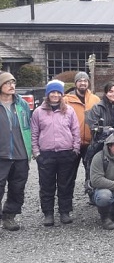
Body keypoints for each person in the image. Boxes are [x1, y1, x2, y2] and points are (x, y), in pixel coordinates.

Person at [31, 80, 81, 226]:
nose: (55, 95)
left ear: (62, 94)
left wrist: (75, 149)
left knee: (65, 185)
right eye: (52, 92)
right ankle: (48, 213)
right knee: (46, 185)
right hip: (46, 154)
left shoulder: (69, 111)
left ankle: (65, 212)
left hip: (66, 153)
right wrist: (36, 153)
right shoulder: (38, 112)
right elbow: (34, 133)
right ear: (47, 94)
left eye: (58, 92)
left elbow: (75, 131)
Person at [84, 82, 114, 203]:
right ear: (106, 93)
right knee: (93, 169)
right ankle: (93, 193)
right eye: (111, 91)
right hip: (99, 144)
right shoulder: (97, 107)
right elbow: (94, 126)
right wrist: (112, 131)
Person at [0, 72, 32, 231]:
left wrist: (31, 151)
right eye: (7, 83)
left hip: (21, 154)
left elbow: (30, 127)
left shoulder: (22, 104)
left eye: (13, 83)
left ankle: (9, 216)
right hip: (1, 155)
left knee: (17, 188)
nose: (12, 86)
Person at [65, 71, 101, 198]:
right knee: (69, 173)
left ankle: (93, 196)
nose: (83, 83)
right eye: (80, 80)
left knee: (91, 170)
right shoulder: (66, 100)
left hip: (91, 143)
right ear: (75, 83)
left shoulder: (95, 99)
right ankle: (67, 199)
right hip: (72, 143)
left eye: (85, 80)